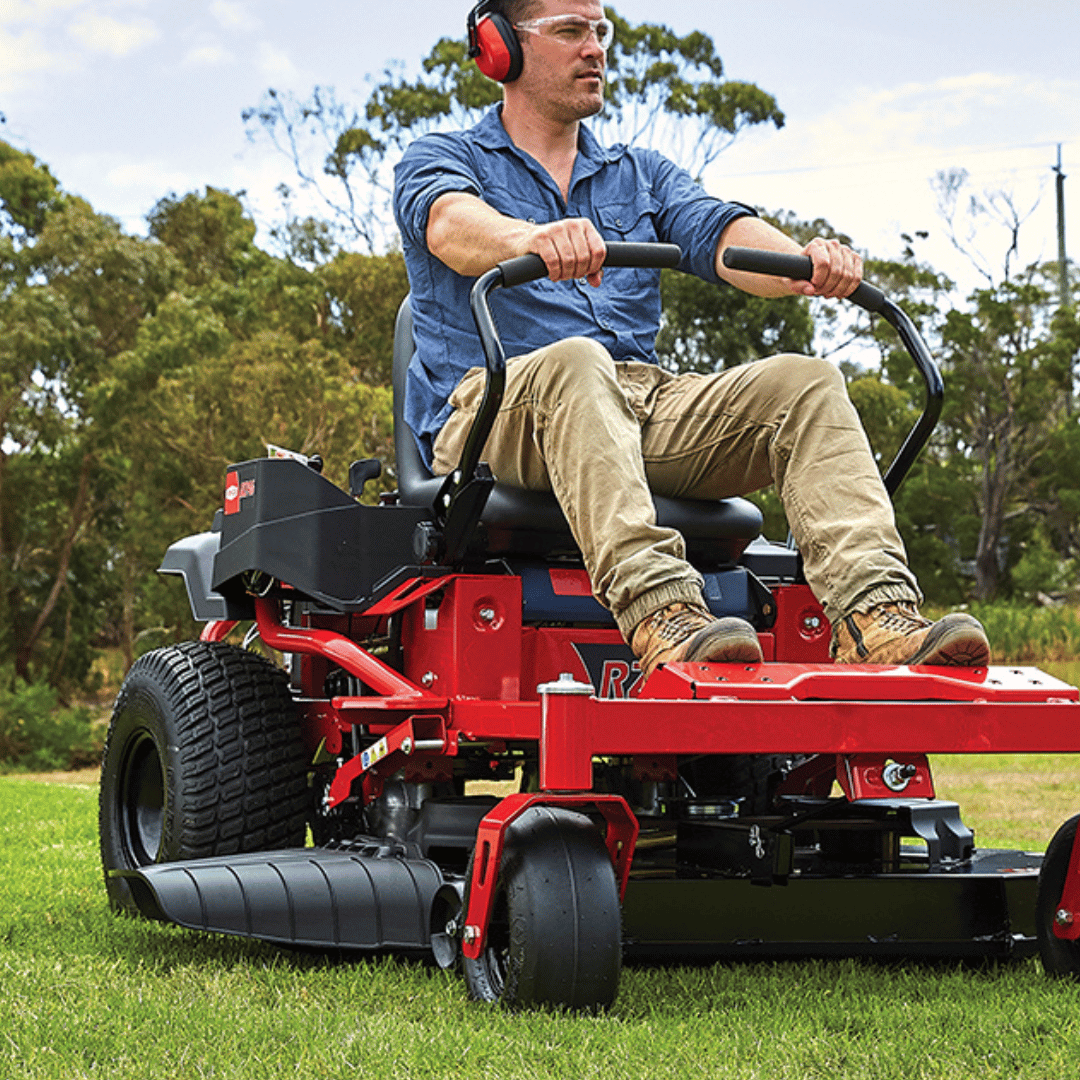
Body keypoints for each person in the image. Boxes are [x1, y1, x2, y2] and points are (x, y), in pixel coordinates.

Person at [392, 0, 991, 678]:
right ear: (499, 50)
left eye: (600, 31)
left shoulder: (639, 174)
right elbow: (450, 224)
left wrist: (804, 264)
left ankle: (876, 617)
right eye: (569, 32)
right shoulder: (441, 157)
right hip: (493, 411)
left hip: (638, 407)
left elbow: (721, 234)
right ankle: (664, 615)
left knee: (806, 381)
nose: (594, 49)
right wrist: (529, 238)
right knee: (578, 364)